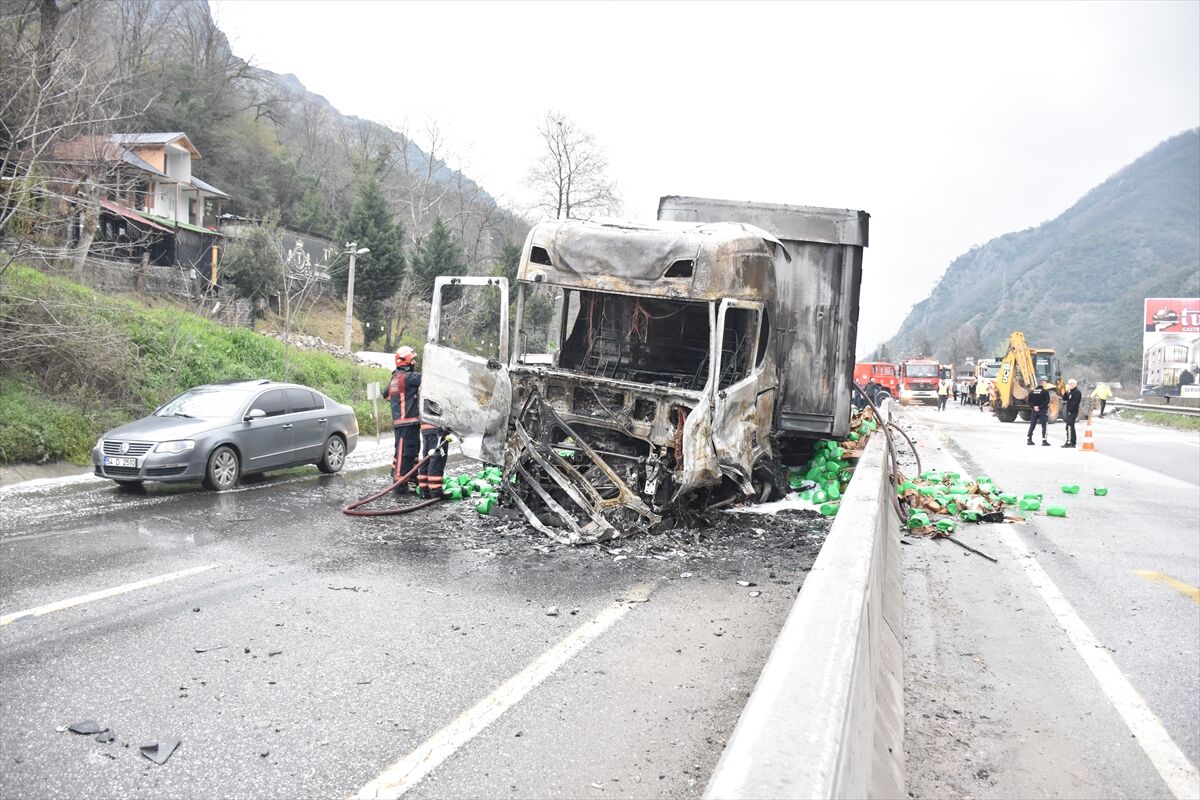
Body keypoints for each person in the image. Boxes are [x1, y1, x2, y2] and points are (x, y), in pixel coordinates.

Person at [383, 345, 421, 494]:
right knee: (404, 452)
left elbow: (386, 395)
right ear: (406, 361)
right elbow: (427, 379)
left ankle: (411, 477)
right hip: (407, 421)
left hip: (402, 422)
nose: (414, 363)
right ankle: (399, 483)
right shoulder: (409, 378)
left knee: (409, 450)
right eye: (413, 360)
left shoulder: (395, 378)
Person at [417, 422, 449, 498]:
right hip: (437, 427)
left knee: (427, 459)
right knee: (437, 459)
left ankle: (424, 490)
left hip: (425, 428)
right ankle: (435, 491)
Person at [1062, 379, 1082, 448]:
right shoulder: (1070, 392)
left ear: (1074, 384)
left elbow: (1075, 403)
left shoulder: (1077, 392)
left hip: (1073, 412)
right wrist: (1066, 391)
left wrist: (1070, 411)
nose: (1069, 385)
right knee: (1070, 427)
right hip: (1069, 412)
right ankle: (1073, 442)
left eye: (1071, 384)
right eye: (1069, 384)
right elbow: (1064, 399)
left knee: (1069, 427)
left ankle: (1069, 442)